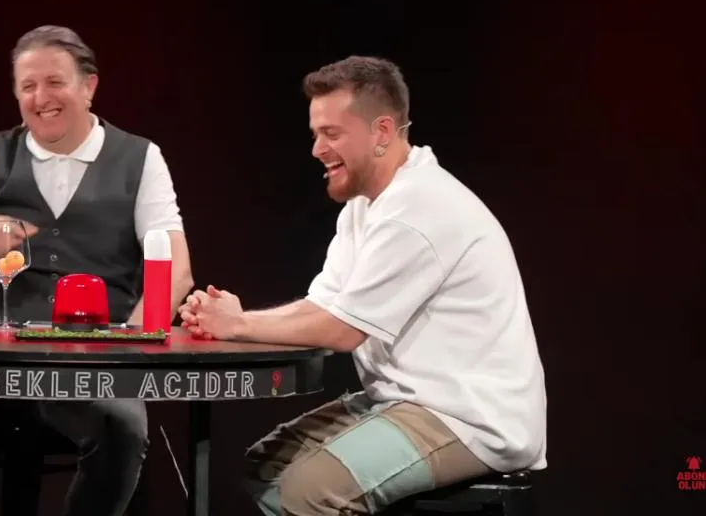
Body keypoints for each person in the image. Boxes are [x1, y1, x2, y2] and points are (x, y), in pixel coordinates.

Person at [179, 56, 547, 516]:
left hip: (468, 417)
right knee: (266, 468)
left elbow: (341, 330)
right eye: (315, 134)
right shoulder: (365, 207)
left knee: (309, 492)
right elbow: (323, 306)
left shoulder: (418, 209)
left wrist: (236, 326)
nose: (317, 149)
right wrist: (234, 319)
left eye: (332, 134)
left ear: (382, 132)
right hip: (405, 401)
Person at [0, 25, 195, 516]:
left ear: (89, 87)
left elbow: (176, 269)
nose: (40, 98)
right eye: (27, 86)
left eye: (54, 82)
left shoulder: (139, 158)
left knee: (122, 428)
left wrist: (129, 349)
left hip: (93, 367)